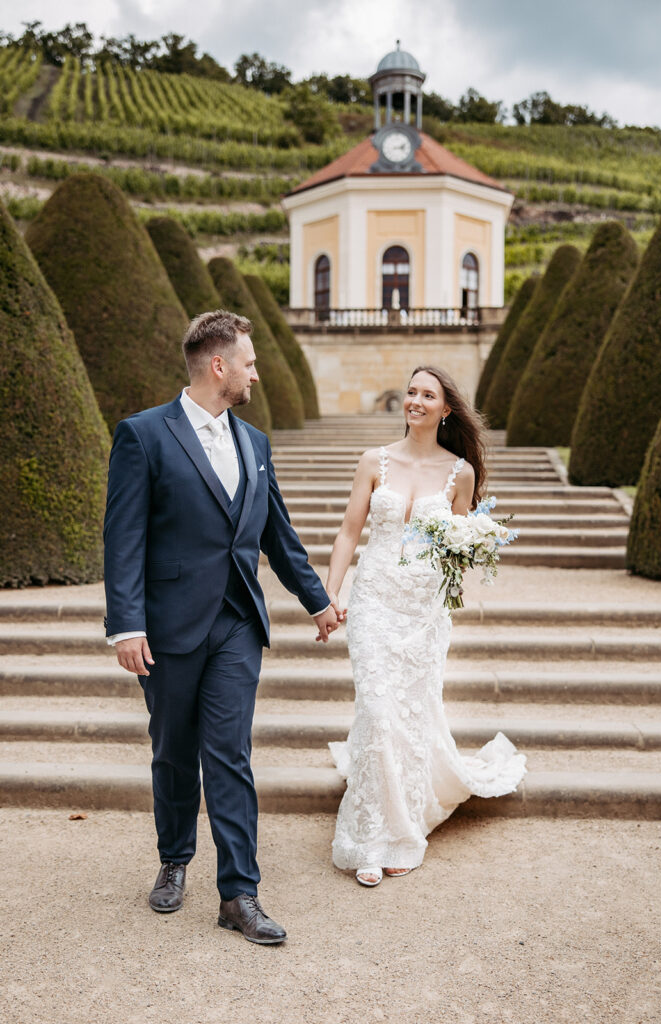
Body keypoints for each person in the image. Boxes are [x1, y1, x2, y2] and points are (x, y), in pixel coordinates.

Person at [103, 310, 340, 942]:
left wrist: (316, 601)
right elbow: (122, 539)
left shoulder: (256, 443)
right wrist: (126, 625)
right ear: (219, 366)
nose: (256, 373)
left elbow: (277, 535)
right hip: (170, 625)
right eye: (250, 363)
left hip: (237, 621)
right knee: (174, 751)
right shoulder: (143, 436)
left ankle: (239, 893)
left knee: (230, 754)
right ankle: (174, 859)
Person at [326, 365, 526, 886]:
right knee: (376, 706)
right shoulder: (375, 461)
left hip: (423, 611)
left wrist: (468, 549)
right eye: (411, 391)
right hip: (374, 602)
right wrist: (331, 592)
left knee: (408, 716)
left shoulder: (460, 473)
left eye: (426, 394)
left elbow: (459, 544)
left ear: (446, 409)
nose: (415, 400)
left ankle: (402, 827)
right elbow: (350, 532)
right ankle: (371, 835)